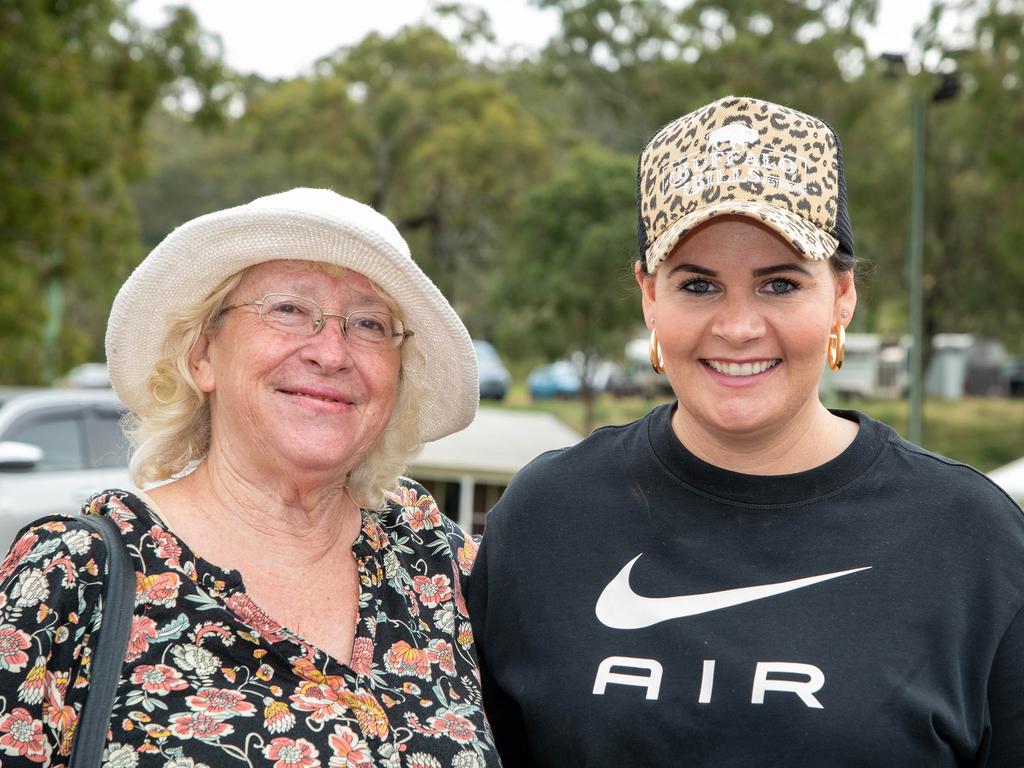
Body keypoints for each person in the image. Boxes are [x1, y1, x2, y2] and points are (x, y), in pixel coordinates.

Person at [467, 96, 1024, 766]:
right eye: (698, 285)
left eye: (780, 285)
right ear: (649, 295)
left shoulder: (972, 539)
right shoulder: (545, 517)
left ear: (842, 296)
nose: (737, 327)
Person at [0, 188, 500, 767]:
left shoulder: (437, 564)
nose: (331, 353)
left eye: (368, 323)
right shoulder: (76, 575)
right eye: (288, 309)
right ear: (202, 355)